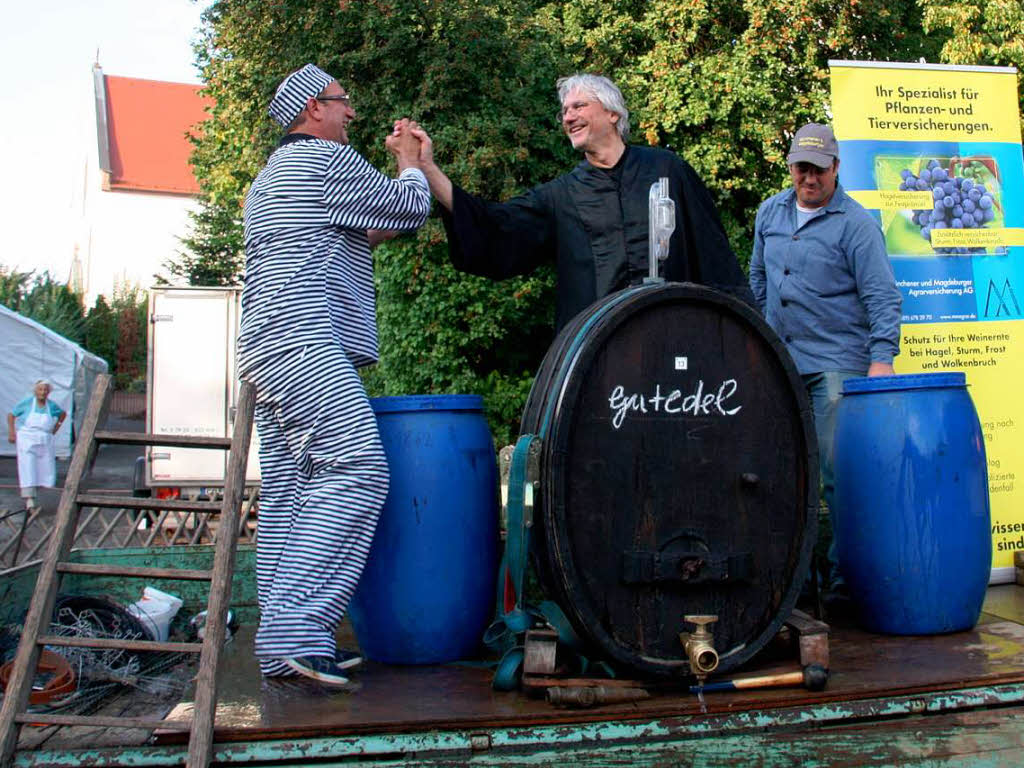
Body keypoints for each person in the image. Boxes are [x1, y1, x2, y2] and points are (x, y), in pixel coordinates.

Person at [238, 63, 431, 687]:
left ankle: (284, 648)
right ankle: (295, 629)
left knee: (292, 494)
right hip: (306, 341)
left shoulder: (271, 179)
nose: (352, 112)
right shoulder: (324, 161)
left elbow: (360, 231)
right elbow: (406, 210)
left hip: (265, 351)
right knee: (358, 467)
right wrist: (410, 159)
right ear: (314, 111)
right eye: (343, 102)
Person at [404, 73, 751, 330]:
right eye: (565, 111)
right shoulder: (562, 196)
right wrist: (428, 169)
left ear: (613, 114)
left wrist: (742, 334)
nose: (568, 117)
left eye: (579, 106)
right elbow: (495, 228)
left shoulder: (667, 171)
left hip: (676, 343)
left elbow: (715, 258)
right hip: (597, 355)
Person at [749, 122, 901, 597]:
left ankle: (845, 582)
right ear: (790, 166)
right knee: (780, 474)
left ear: (837, 168)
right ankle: (792, 580)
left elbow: (883, 296)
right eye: (801, 168)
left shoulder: (856, 224)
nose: (809, 178)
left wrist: (882, 360)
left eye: (819, 169)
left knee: (839, 475)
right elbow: (756, 279)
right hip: (781, 363)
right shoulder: (770, 212)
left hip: (838, 363)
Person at [7, 380, 66, 511]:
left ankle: (39, 489)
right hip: (27, 439)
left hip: (44, 439)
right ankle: (29, 499)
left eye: (45, 390)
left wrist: (56, 427)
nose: (43, 392)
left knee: (44, 466)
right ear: (35, 391)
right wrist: (12, 432)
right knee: (27, 466)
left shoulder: (51, 406)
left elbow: (63, 414)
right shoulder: (27, 403)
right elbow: (11, 415)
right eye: (40, 389)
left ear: (48, 392)